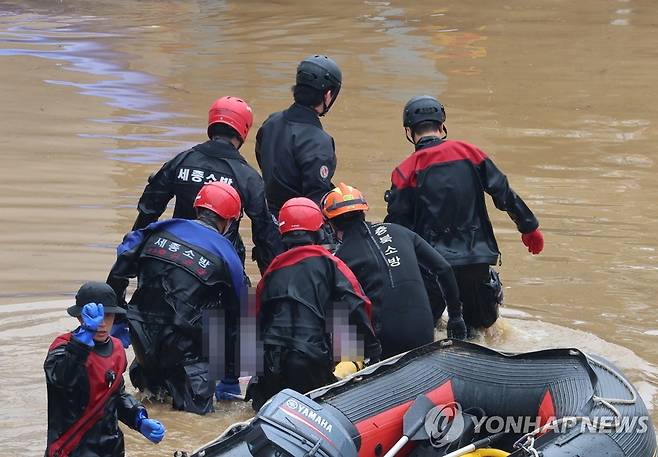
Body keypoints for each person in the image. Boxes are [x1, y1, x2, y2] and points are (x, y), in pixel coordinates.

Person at [385, 95, 544, 334]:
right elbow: (503, 193)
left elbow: (397, 225)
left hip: (432, 266)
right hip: (475, 260)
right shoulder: (470, 153)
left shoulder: (404, 171)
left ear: (409, 131)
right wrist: (528, 226)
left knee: (425, 329)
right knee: (481, 330)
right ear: (442, 126)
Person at [107, 182, 246, 415]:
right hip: (187, 355)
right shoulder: (227, 255)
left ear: (196, 208)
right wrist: (232, 376)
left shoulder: (155, 230)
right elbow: (244, 317)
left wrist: (117, 319)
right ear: (229, 221)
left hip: (143, 339)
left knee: (150, 404)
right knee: (194, 421)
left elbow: (120, 267)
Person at [246, 197, 381, 410]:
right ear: (319, 230)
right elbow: (357, 304)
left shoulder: (271, 271)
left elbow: (255, 320)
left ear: (283, 233)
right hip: (308, 359)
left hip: (269, 363)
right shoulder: (330, 263)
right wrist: (373, 351)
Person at [131, 96, 282, 273]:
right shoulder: (248, 177)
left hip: (173, 255)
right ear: (243, 130)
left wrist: (132, 261)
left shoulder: (182, 160)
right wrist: (272, 280)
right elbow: (265, 235)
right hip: (219, 265)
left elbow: (149, 210)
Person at [322, 183, 467, 359]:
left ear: (331, 225)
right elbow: (443, 268)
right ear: (363, 212)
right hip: (424, 334)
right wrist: (455, 317)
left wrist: (346, 360)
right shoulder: (400, 232)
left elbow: (340, 313)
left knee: (336, 307)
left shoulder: (338, 260)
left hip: (386, 347)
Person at [45, 282, 165, 457]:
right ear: (80, 317)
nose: (101, 323)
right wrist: (83, 339)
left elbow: (115, 394)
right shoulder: (62, 348)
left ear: (115, 317)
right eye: (94, 317)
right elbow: (62, 378)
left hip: (111, 447)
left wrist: (138, 418)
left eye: (107, 315)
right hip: (72, 449)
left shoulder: (116, 349)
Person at [255, 55, 342, 217]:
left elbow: (263, 161)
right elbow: (316, 197)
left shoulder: (271, 123)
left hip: (268, 219)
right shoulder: (319, 141)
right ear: (328, 95)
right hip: (297, 225)